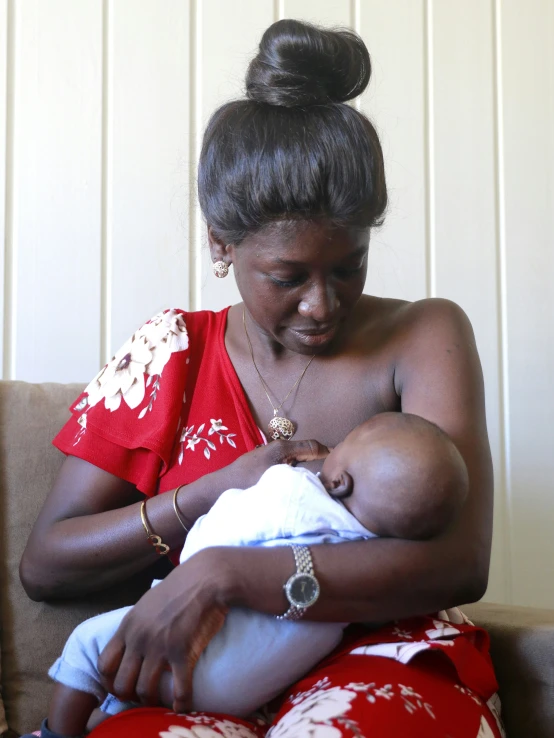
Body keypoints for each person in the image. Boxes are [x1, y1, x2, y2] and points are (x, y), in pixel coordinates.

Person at [20, 18, 504, 738]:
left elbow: (460, 562)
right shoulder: (171, 352)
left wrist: (223, 576)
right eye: (288, 276)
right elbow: (47, 563)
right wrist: (210, 493)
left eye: (348, 266)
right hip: (194, 669)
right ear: (222, 243)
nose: (323, 303)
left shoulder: (424, 336)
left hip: (382, 655)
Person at [24, 413, 469, 737]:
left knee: (89, 644)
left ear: (339, 482)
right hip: (248, 692)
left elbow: (213, 541)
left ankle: (55, 733)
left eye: (343, 443)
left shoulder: (294, 491)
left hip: (191, 647)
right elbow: (42, 567)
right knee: (128, 696)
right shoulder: (379, 558)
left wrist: (215, 560)